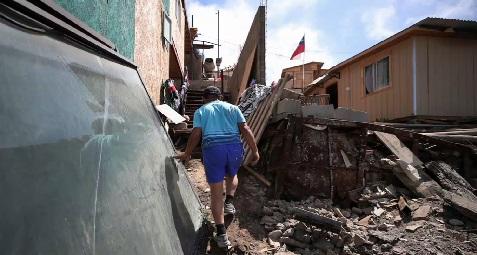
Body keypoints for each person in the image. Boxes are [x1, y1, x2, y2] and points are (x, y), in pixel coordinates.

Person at [175, 86, 259, 248]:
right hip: (234, 148)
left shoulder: (201, 111)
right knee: (233, 174)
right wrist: (255, 151)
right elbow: (245, 129)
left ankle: (221, 235)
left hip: (213, 150)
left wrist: (187, 153)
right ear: (219, 96)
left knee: (215, 192)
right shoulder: (233, 108)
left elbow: (196, 133)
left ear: (204, 98)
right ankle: (229, 201)